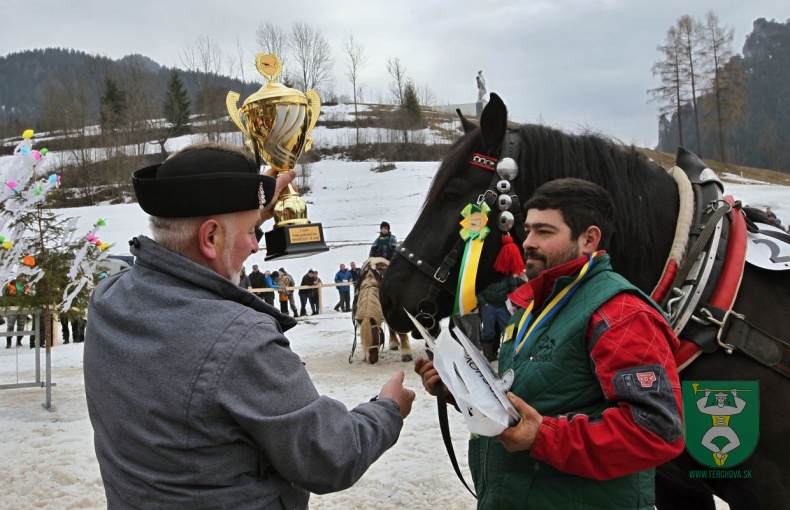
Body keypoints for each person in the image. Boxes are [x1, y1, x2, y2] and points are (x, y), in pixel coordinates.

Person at [83, 142, 415, 509]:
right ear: (210, 238)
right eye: (251, 233)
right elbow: (330, 456)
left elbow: (200, 275)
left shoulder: (108, 299)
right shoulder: (240, 339)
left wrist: (246, 213)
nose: (257, 246)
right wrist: (388, 408)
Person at [415, 178, 684, 508]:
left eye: (544, 232)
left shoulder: (621, 313)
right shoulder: (530, 306)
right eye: (527, 230)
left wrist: (543, 437)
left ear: (588, 239)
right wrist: (462, 391)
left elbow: (656, 431)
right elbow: (537, 399)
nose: (527, 242)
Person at [476, 275, 519, 361]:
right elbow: (477, 288)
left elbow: (513, 288)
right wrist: (483, 302)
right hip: (488, 305)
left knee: (508, 331)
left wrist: (514, 304)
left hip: (503, 305)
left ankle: (508, 357)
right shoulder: (485, 272)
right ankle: (486, 359)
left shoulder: (507, 273)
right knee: (488, 332)